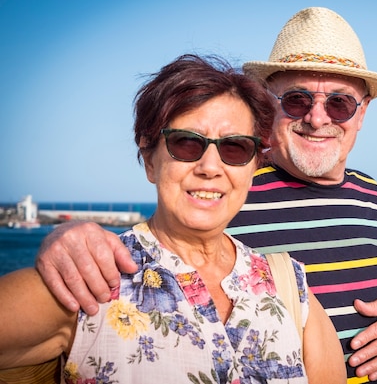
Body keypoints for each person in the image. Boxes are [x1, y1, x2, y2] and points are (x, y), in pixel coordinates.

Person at [35, 7, 377, 383]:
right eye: (297, 99)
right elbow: (155, 244)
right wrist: (63, 239)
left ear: (364, 111)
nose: (317, 117)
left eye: (339, 103)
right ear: (269, 104)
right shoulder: (227, 190)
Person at [0, 54, 346, 383]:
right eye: (186, 143)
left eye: (235, 147)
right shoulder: (92, 279)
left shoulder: (289, 288)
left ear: (255, 164)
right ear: (149, 159)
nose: (210, 167)